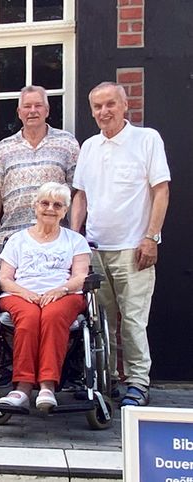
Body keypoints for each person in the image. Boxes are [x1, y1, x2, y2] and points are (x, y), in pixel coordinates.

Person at [71, 82, 170, 407]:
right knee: (100, 320)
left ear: (125, 105)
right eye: (97, 106)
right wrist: (75, 241)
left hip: (134, 249)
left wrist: (151, 236)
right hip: (97, 249)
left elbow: (161, 191)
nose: (104, 111)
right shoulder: (89, 147)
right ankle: (109, 379)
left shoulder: (147, 139)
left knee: (132, 320)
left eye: (110, 104)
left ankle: (138, 382)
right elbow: (81, 197)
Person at [0, 182, 90, 411]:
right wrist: (25, 292)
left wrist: (60, 290)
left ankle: (47, 386)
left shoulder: (75, 241)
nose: (50, 208)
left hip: (64, 294)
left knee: (52, 316)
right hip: (21, 294)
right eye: (45, 203)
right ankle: (23, 387)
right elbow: (5, 278)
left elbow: (80, 277)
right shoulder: (18, 240)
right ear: (35, 206)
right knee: (29, 318)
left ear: (65, 211)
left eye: (57, 205)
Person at [0, 85, 80, 262]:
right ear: (19, 112)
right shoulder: (3, 147)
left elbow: (78, 192)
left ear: (47, 110)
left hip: (56, 237)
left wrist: (76, 235)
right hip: (12, 237)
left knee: (53, 289)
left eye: (38, 105)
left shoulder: (67, 143)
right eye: (27, 106)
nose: (32, 111)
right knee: (14, 288)